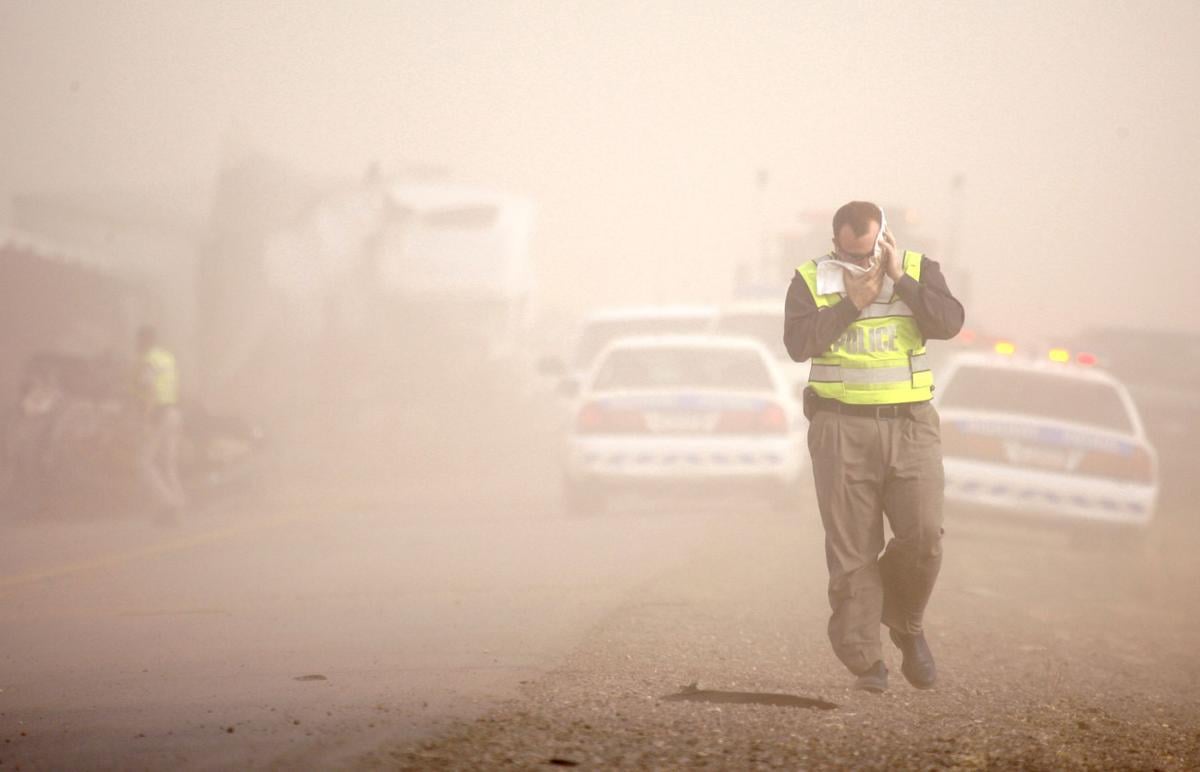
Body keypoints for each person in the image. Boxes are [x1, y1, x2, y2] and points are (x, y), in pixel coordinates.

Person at [783, 201, 964, 693]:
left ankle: (905, 625)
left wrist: (898, 279)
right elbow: (798, 344)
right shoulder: (811, 279)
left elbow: (949, 323)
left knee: (924, 537)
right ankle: (867, 663)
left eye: (867, 254)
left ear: (884, 238)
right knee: (852, 553)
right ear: (835, 241)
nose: (859, 263)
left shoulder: (919, 270)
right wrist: (852, 302)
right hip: (840, 428)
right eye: (849, 253)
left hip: (911, 426)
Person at [135, 325, 186, 518]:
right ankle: (180, 503)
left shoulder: (148, 360)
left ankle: (168, 504)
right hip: (174, 412)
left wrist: (146, 419)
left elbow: (148, 389)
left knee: (143, 462)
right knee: (167, 463)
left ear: (143, 341)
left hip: (158, 415)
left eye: (138, 341)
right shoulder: (167, 358)